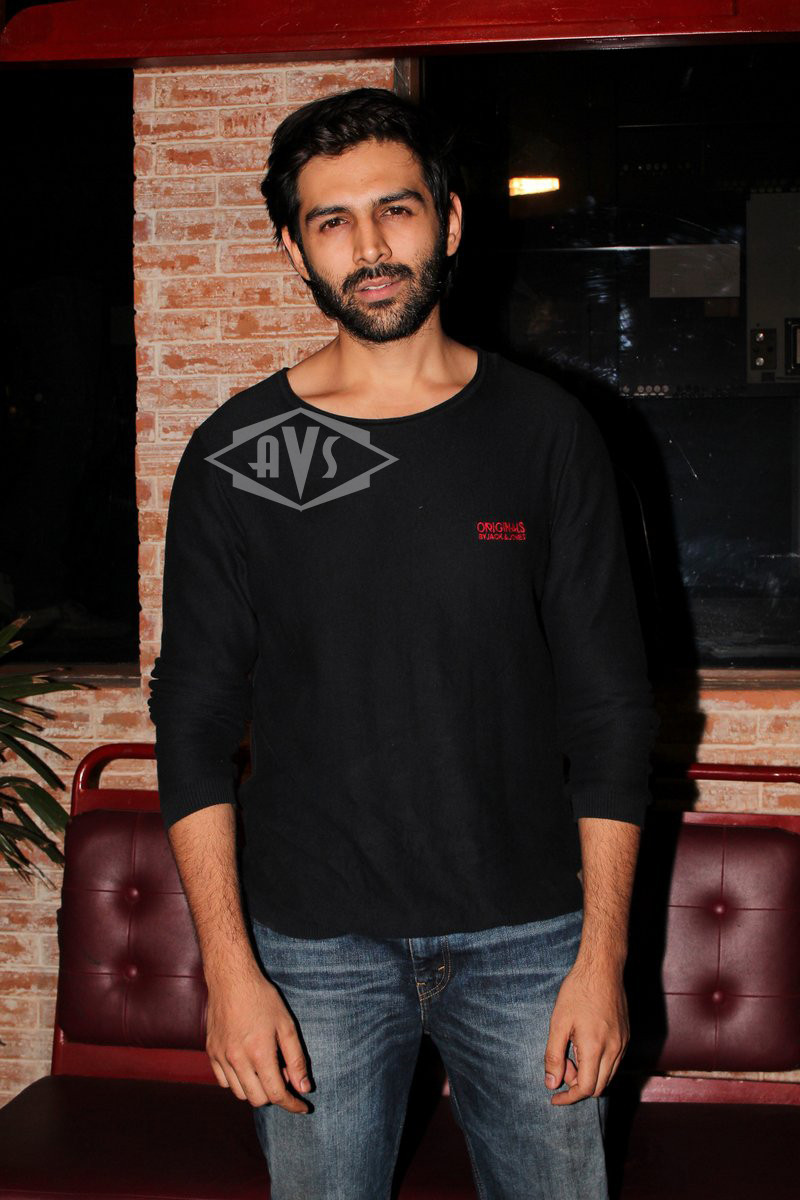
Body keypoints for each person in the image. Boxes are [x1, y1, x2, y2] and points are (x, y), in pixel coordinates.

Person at [147, 85, 657, 1200]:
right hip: (313, 952)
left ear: (450, 220)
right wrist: (228, 970)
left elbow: (612, 711)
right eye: (332, 221)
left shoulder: (546, 434)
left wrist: (601, 959)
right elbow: (190, 719)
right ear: (294, 250)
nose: (370, 248)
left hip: (531, 939)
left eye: (397, 209)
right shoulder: (242, 451)